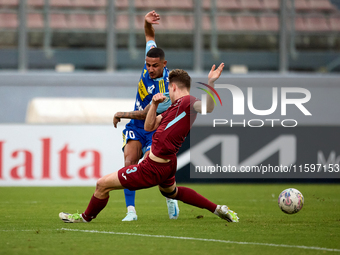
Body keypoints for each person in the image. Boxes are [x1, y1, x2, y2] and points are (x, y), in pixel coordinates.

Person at [59, 62, 239, 224]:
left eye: (169, 86)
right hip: (166, 164)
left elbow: (207, 107)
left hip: (153, 167)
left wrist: (211, 83)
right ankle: (218, 209)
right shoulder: (172, 109)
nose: (167, 90)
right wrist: (153, 104)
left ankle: (84, 217)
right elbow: (149, 125)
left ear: (173, 86)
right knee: (172, 192)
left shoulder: (187, 102)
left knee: (102, 184)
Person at [113, 10, 179, 221]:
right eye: (148, 65)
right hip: (135, 127)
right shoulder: (150, 58)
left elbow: (145, 114)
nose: (150, 69)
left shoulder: (167, 89)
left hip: (154, 128)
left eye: (155, 66)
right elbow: (150, 37)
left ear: (164, 65)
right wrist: (146, 22)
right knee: (129, 163)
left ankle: (170, 197)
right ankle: (131, 211)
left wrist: (120, 114)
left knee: (156, 171)